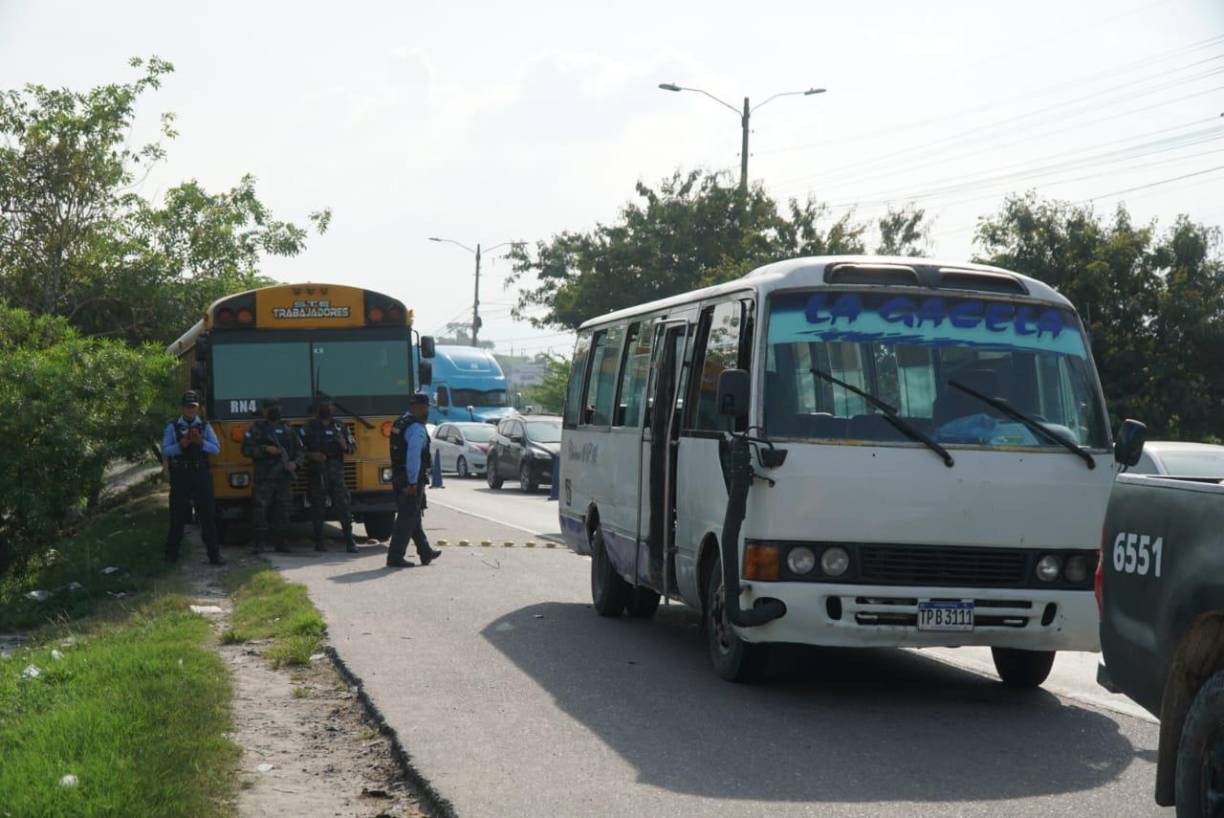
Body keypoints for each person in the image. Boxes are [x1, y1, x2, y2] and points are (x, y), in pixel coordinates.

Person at [162, 390, 223, 565]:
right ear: (182, 408)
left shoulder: (205, 426)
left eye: (193, 407)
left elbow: (216, 449)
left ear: (198, 408)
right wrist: (181, 445)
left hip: (200, 474)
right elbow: (165, 449)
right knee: (177, 516)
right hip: (181, 474)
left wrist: (200, 442)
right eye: (188, 407)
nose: (191, 410)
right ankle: (171, 556)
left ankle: (214, 556)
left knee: (207, 516)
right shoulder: (172, 426)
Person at [386, 393, 442, 568]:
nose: (427, 412)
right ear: (419, 407)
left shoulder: (400, 423)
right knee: (406, 518)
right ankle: (395, 557)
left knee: (413, 516)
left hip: (398, 474)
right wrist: (412, 483)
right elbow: (413, 456)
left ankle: (425, 552)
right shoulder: (416, 428)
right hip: (410, 478)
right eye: (426, 408)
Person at [241, 398, 302, 554]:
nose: (274, 410)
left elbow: (301, 451)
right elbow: (245, 449)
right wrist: (265, 449)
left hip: (283, 478)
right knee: (260, 511)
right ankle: (259, 543)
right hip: (264, 478)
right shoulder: (256, 429)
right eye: (270, 408)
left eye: (276, 407)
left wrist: (295, 464)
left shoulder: (288, 429)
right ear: (264, 411)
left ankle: (281, 542)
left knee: (283, 511)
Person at [300, 399, 358, 553]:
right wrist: (311, 455)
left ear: (333, 408)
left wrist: (343, 445)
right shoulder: (308, 427)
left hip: (335, 474)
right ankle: (319, 542)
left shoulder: (340, 427)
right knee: (317, 508)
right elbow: (298, 450)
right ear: (318, 408)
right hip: (316, 473)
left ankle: (350, 541)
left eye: (329, 405)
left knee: (343, 506)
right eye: (323, 406)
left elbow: (352, 448)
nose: (327, 408)